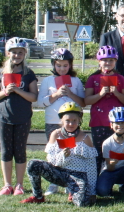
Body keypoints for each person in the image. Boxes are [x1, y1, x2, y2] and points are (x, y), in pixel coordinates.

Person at [20, 102, 97, 206]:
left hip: (77, 175)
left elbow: (91, 166)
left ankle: (73, 191)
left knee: (83, 203)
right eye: (67, 121)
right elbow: (51, 161)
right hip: (59, 172)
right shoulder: (56, 134)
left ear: (79, 120)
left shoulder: (85, 138)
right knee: (33, 164)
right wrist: (63, 156)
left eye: (74, 120)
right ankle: (38, 196)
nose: (71, 124)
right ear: (61, 120)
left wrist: (92, 191)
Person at [0, 38, 38, 196]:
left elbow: (33, 97)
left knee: (20, 151)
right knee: (6, 151)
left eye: (20, 52)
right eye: (14, 52)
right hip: (4, 117)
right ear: (8, 53)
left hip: (23, 117)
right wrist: (5, 92)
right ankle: (7, 184)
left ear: (25, 54)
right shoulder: (1, 73)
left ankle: (19, 185)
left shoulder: (28, 73)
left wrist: (18, 90)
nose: (17, 55)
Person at [37, 48, 86, 195]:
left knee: (69, 151)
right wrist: (56, 94)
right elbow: (40, 103)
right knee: (54, 153)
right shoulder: (47, 81)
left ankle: (69, 181)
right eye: (58, 65)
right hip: (53, 122)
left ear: (70, 65)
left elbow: (82, 102)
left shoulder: (76, 81)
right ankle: (54, 182)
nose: (62, 68)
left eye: (65, 65)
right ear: (53, 65)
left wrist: (70, 93)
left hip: (71, 123)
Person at [84, 46, 124, 174]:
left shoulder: (120, 78)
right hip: (98, 122)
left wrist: (116, 93)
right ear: (99, 61)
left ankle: (120, 181)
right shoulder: (93, 79)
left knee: (118, 152)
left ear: (115, 62)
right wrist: (100, 94)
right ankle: (98, 180)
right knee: (99, 152)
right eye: (105, 60)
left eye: (111, 60)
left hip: (118, 123)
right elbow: (86, 101)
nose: (108, 63)